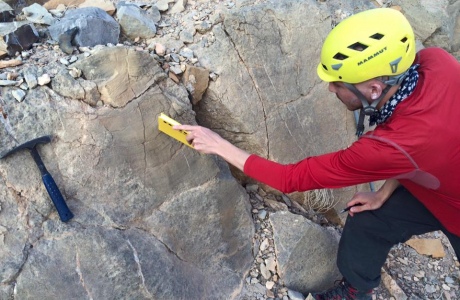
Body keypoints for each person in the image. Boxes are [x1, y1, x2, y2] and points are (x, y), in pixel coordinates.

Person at [174, 7, 460, 300]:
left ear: (374, 88)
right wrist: (382, 194)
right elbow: (419, 153)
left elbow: (292, 178)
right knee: (367, 222)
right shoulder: (434, 61)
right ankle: (356, 292)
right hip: (438, 181)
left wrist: (217, 144)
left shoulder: (391, 147)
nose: (329, 88)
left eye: (339, 82)